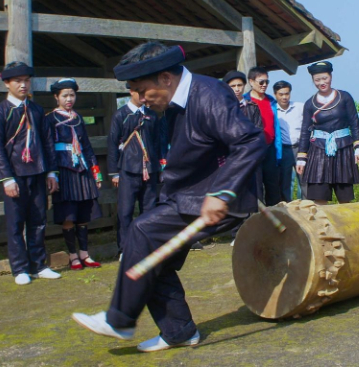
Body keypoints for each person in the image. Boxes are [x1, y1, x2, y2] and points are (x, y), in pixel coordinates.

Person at [72, 42, 265, 353]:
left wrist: (223, 191)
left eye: (142, 89)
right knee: (153, 257)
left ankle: (120, 320)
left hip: (215, 199)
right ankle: (179, 331)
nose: (140, 98)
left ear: (165, 78)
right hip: (186, 196)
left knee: (142, 232)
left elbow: (250, 140)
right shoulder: (172, 103)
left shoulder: (208, 94)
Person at [0, 62, 61, 286]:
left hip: (38, 172)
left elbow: (48, 143)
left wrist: (52, 172)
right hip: (15, 175)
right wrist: (6, 178)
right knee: (16, 223)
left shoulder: (37, 110)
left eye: (26, 80)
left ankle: (38, 265)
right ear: (7, 83)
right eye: (18, 81)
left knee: (38, 220)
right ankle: (19, 268)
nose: (23, 84)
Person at [46, 79, 103, 271]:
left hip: (83, 168)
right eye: (65, 95)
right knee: (68, 213)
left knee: (83, 212)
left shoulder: (78, 118)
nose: (69, 99)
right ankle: (73, 256)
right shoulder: (50, 119)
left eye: (72, 95)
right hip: (64, 169)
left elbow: (86, 146)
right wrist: (52, 173)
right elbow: (49, 149)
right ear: (56, 97)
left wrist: (96, 172)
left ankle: (85, 254)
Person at [108, 85, 166, 258]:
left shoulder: (152, 115)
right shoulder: (120, 115)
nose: (142, 95)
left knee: (149, 210)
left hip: (150, 168)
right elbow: (112, 144)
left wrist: (160, 165)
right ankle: (125, 249)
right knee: (125, 211)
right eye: (138, 92)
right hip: (127, 168)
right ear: (130, 92)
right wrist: (114, 172)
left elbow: (158, 142)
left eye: (144, 91)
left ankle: (148, 246)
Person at [295, 62, 359, 204]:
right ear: (313, 81)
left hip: (343, 149)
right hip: (319, 151)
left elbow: (354, 122)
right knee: (319, 197)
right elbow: (305, 131)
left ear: (331, 77)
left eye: (324, 78)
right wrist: (302, 157)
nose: (322, 82)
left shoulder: (344, 97)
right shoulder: (310, 104)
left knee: (345, 198)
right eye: (317, 80)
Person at [222, 70, 263, 245]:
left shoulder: (252, 108)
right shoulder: (222, 108)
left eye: (240, 85)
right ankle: (236, 233)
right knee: (235, 194)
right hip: (231, 159)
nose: (237, 89)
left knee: (254, 193)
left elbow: (258, 131)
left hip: (251, 158)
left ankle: (254, 229)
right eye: (233, 86)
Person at [244, 67, 282, 206]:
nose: (264, 85)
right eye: (261, 82)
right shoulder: (245, 101)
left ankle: (277, 219)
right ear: (251, 82)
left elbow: (276, 126)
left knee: (273, 187)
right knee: (256, 187)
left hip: (270, 148)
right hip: (253, 150)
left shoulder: (271, 101)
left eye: (267, 82)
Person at [275, 80, 305, 201]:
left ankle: (306, 207)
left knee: (304, 181)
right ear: (275, 94)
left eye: (287, 94)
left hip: (300, 148)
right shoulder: (274, 110)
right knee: (285, 182)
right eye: (281, 94)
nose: (284, 97)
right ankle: (287, 210)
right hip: (284, 149)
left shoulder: (299, 107)